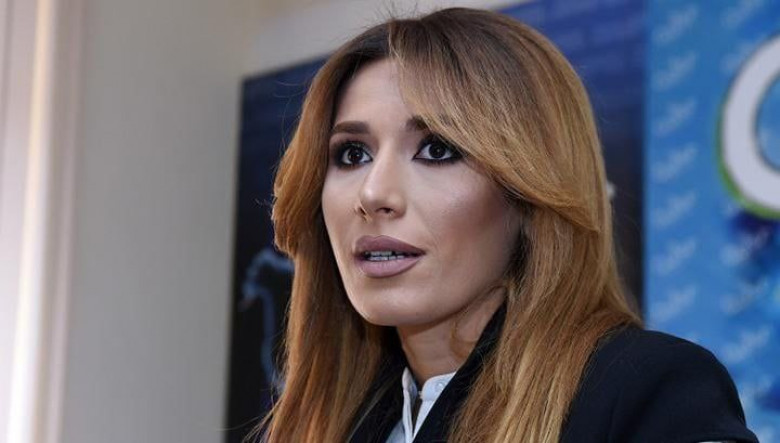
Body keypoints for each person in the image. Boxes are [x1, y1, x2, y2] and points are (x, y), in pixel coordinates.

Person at [250, 7, 758, 443]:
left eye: (437, 149)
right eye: (352, 154)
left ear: (529, 191)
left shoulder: (648, 392)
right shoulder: (333, 423)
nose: (373, 194)